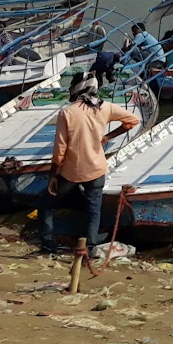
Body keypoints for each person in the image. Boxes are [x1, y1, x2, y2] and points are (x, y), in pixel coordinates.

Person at [41, 70, 141, 259]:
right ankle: (90, 247)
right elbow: (133, 120)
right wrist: (107, 137)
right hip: (96, 169)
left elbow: (60, 150)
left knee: (46, 203)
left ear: (77, 88)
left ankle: (47, 243)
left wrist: (53, 175)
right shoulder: (106, 107)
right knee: (93, 209)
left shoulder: (67, 112)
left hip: (71, 171)